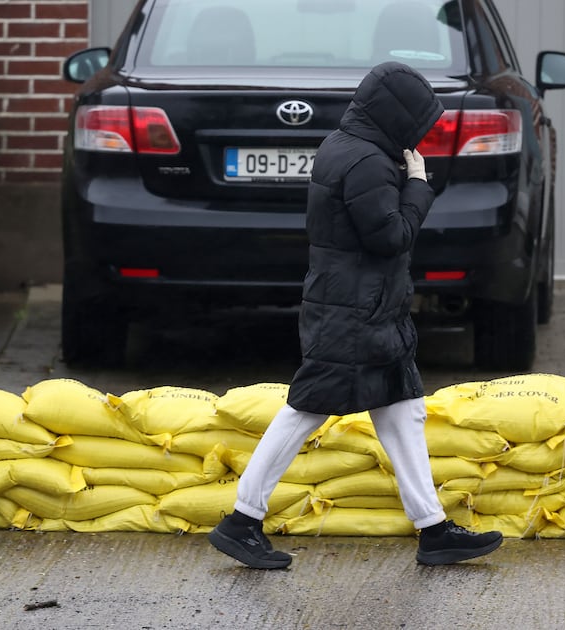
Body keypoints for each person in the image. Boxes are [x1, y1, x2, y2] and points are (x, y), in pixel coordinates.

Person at [208, 62, 503, 569]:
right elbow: (390, 237)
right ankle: (241, 521)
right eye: (418, 121)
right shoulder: (367, 161)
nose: (421, 133)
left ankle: (433, 531)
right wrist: (417, 185)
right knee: (305, 409)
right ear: (396, 116)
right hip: (355, 309)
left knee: (402, 408)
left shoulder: (346, 145)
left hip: (364, 306)